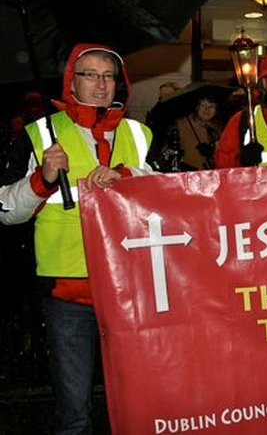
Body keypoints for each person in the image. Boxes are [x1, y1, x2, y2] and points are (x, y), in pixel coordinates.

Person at [0, 43, 153, 434]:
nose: (100, 84)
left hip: (129, 290)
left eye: (108, 75)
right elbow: (6, 210)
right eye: (90, 74)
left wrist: (128, 174)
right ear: (72, 82)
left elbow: (166, 191)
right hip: (69, 291)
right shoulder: (39, 135)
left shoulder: (139, 133)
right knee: (74, 412)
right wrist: (42, 178)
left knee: (143, 400)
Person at [159, 92, 223, 171]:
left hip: (210, 174)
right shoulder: (180, 124)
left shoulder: (217, 129)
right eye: (203, 105)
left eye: (211, 106)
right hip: (186, 174)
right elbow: (167, 152)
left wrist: (212, 153)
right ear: (197, 107)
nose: (207, 109)